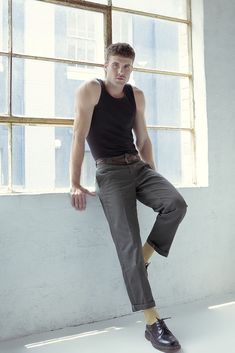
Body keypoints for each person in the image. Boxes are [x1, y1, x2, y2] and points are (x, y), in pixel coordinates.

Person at [70, 42, 187, 352]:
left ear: (132, 69)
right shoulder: (90, 91)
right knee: (128, 248)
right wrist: (74, 182)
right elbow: (78, 136)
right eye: (116, 65)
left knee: (175, 204)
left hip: (137, 167)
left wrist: (154, 173)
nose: (121, 71)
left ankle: (143, 259)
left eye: (127, 67)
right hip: (109, 172)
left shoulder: (136, 95)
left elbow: (143, 138)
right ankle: (152, 323)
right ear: (105, 65)